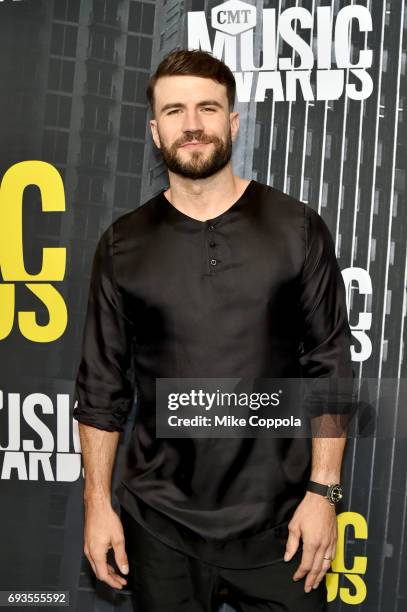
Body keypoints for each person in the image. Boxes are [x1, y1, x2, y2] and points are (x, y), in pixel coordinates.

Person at [73, 49, 354, 611]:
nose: (193, 124)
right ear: (156, 132)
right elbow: (102, 389)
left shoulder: (297, 228)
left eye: (208, 107)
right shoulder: (123, 244)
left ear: (233, 122)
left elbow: (331, 366)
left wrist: (323, 493)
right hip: (160, 522)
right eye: (174, 111)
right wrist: (97, 503)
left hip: (283, 523)